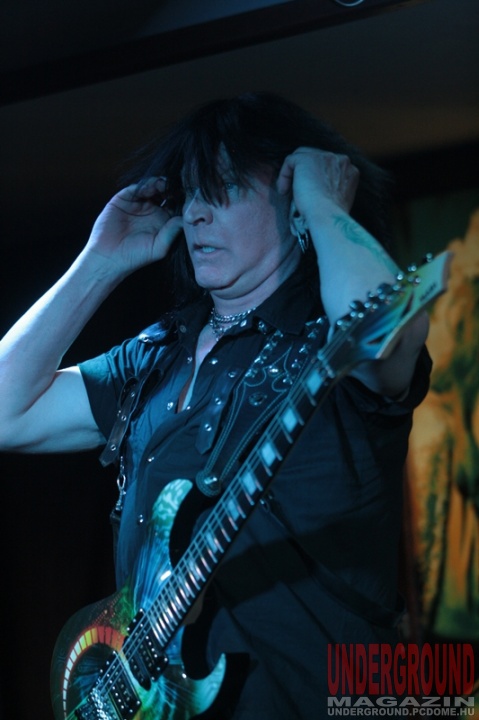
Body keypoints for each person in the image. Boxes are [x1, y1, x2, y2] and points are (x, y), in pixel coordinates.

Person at [0, 92, 431, 718]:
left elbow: (389, 330)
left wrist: (321, 201)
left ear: (293, 197)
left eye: (224, 190)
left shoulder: (328, 341)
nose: (197, 213)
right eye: (191, 194)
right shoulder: (153, 356)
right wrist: (99, 263)